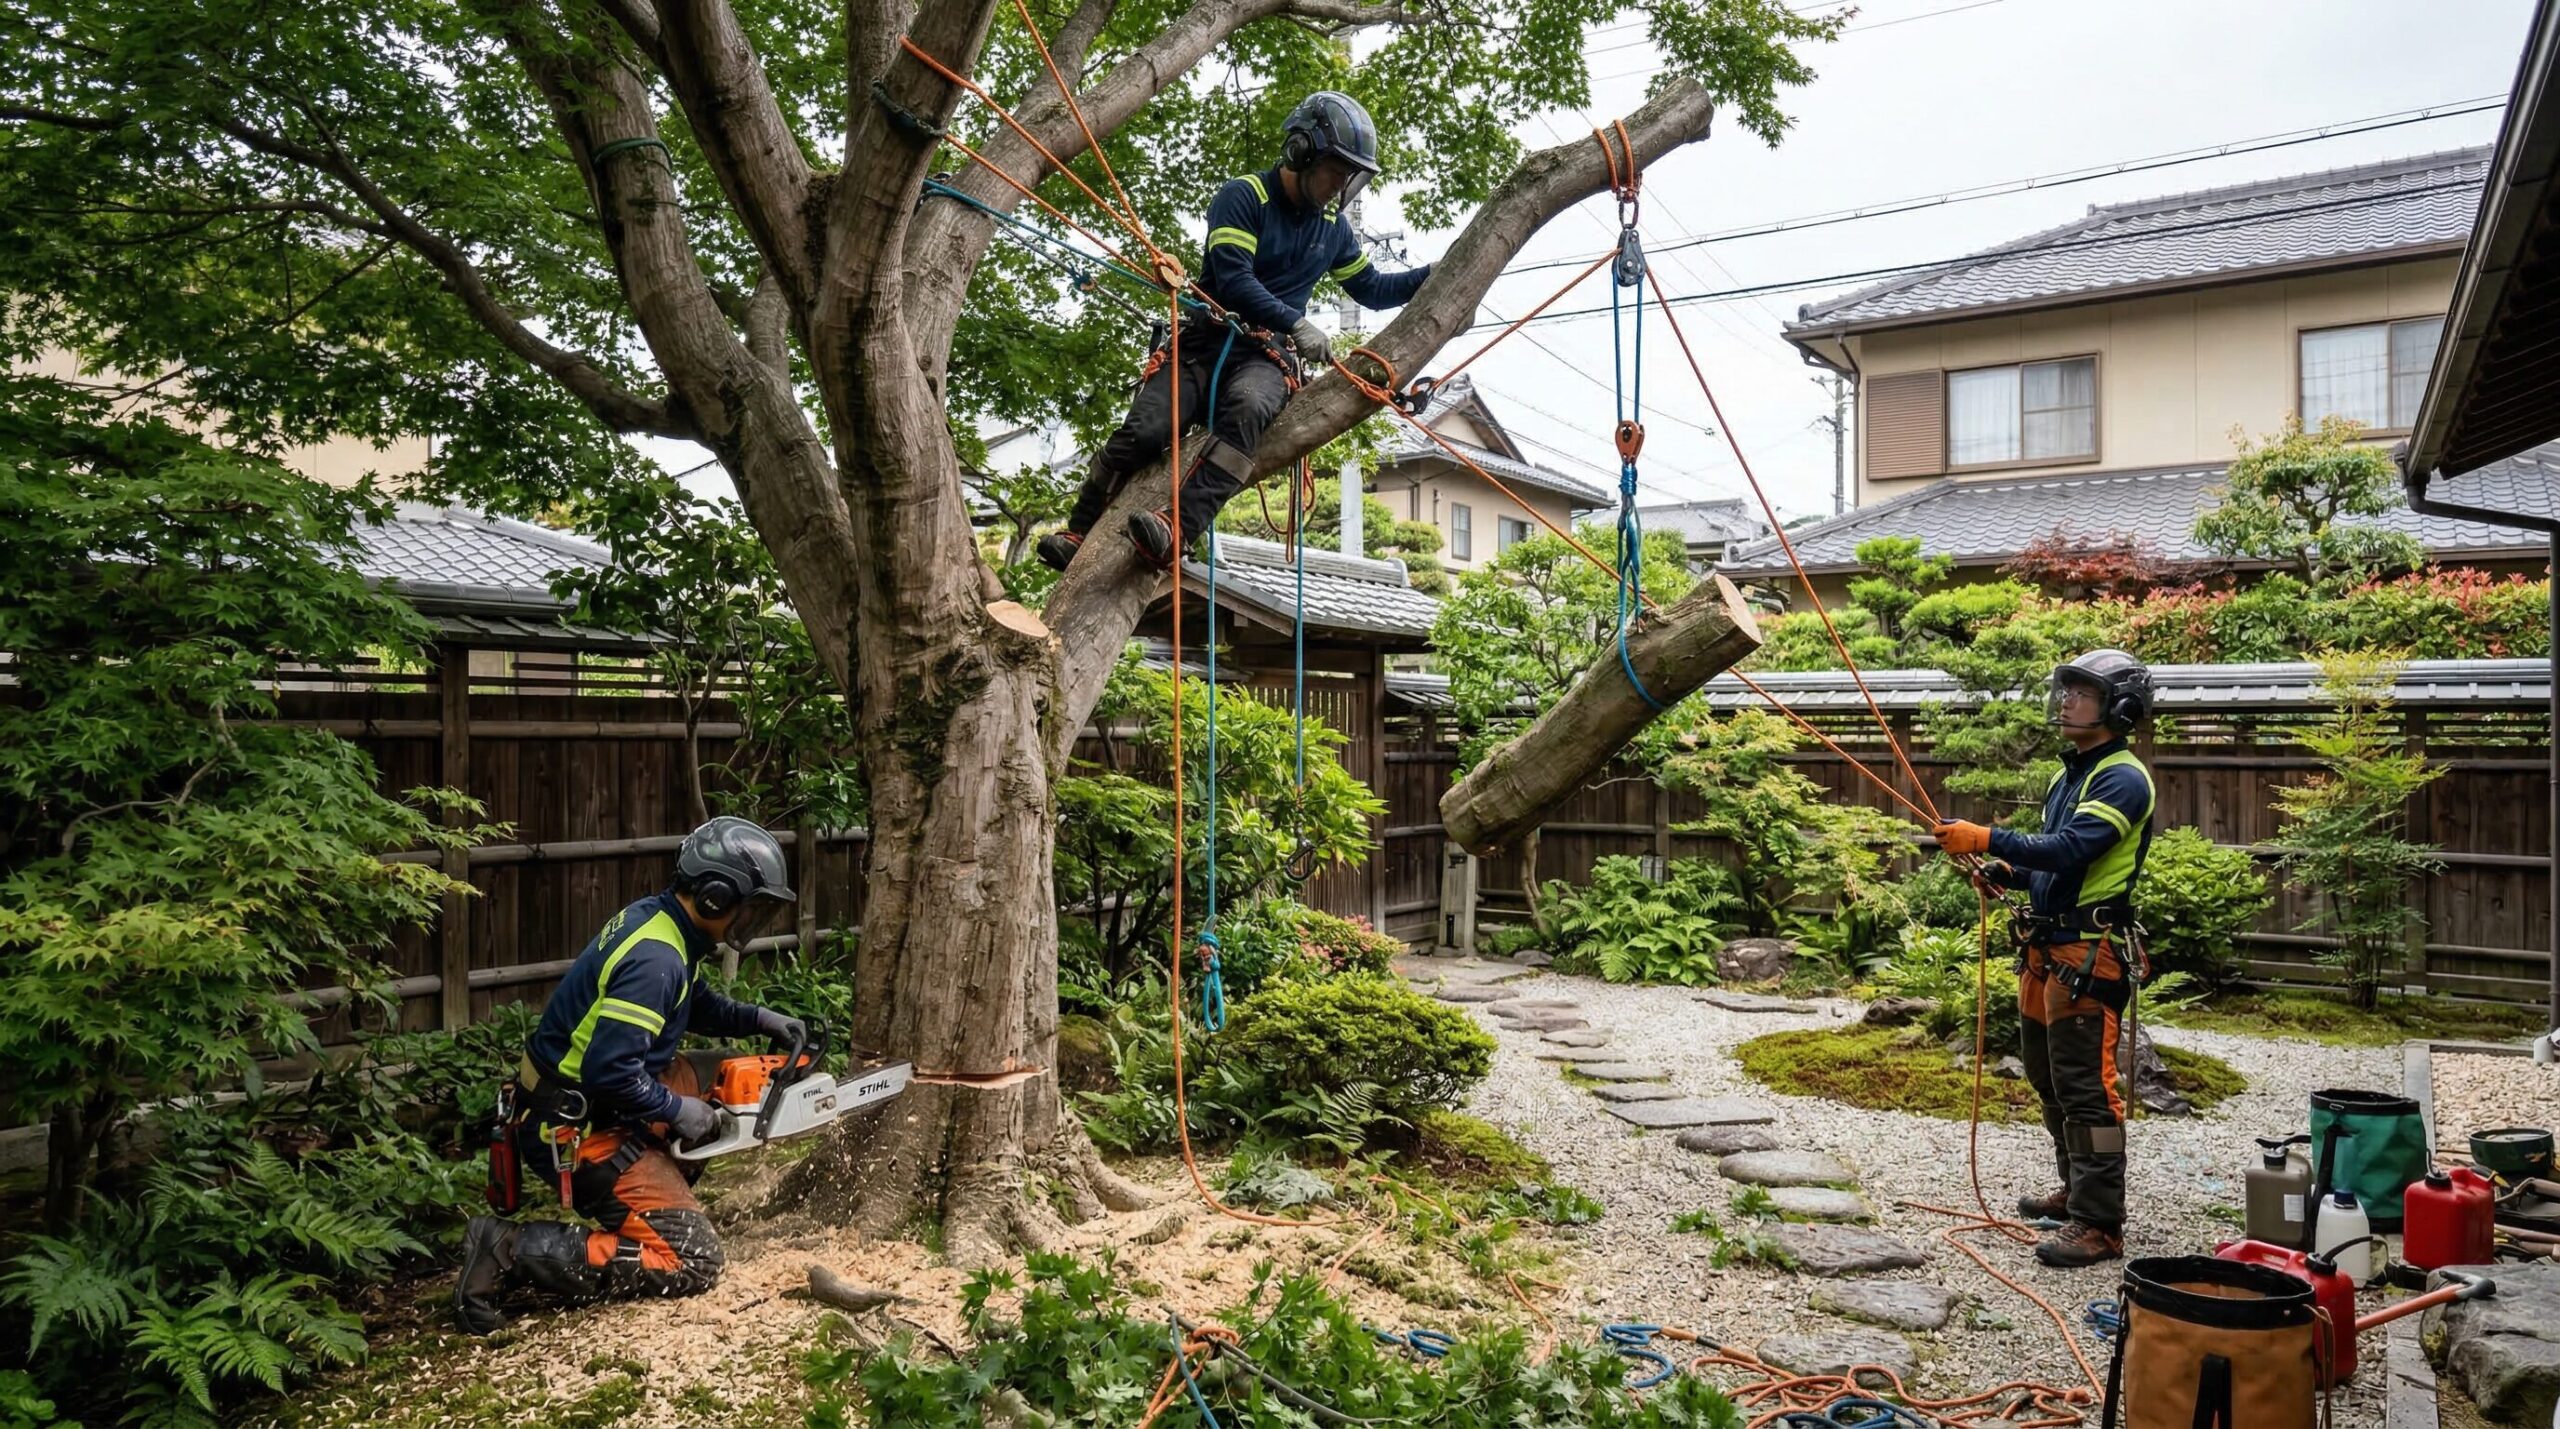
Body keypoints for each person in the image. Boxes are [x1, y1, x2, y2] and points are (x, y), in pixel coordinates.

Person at [1037, 90, 1433, 573]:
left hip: (1264, 361)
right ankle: (1079, 529)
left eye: (1350, 175)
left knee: (1248, 408)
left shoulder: (1332, 228)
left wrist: (1436, 272)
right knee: (1144, 431)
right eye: (1335, 169)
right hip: (1204, 345)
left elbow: (1372, 288)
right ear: (1301, 151)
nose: (1340, 185)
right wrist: (1295, 321)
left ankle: (1176, 530)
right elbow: (1234, 279)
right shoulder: (1245, 196)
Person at [454, 815, 807, 1333]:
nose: (751, 918)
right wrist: (677, 1110)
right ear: (714, 896)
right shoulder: (656, 959)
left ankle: (659, 1186)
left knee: (723, 1071)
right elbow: (609, 1073)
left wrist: (755, 1019)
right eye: (750, 906)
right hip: (579, 1126)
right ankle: (508, 1247)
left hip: (598, 1099)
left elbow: (690, 1002)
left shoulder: (661, 924)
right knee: (693, 1261)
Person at [1930, 649, 2158, 1268]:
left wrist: (1988, 837)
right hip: (2047, 949)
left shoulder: (2123, 777)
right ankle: (2075, 1191)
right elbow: (2044, 861)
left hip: (2089, 952)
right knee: (2048, 1078)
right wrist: (2005, 868)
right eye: (2066, 691)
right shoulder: (2069, 776)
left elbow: (2073, 848)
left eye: (2080, 692)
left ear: (2120, 707)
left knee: (2088, 1091)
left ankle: (2100, 1222)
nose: (2066, 701)